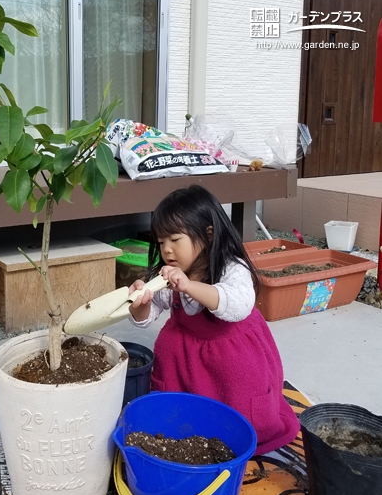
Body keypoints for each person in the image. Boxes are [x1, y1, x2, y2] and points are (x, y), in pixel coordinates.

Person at [128, 185, 299, 455]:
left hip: (233, 358)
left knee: (240, 417)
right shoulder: (171, 273)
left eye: (175, 239)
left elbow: (238, 305)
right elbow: (147, 316)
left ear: (208, 235)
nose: (167, 250)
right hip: (185, 360)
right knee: (184, 420)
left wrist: (188, 286)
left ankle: (242, 432)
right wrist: (141, 304)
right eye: (161, 242)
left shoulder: (232, 267)